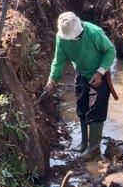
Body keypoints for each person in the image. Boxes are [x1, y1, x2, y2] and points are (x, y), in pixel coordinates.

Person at [44, 12, 117, 160]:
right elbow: (58, 61)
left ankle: (94, 148)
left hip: (100, 75)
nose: (74, 40)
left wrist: (100, 72)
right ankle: (84, 143)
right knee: (82, 108)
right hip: (82, 74)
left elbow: (110, 51)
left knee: (96, 110)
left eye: (76, 37)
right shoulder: (62, 38)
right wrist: (52, 80)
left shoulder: (94, 33)